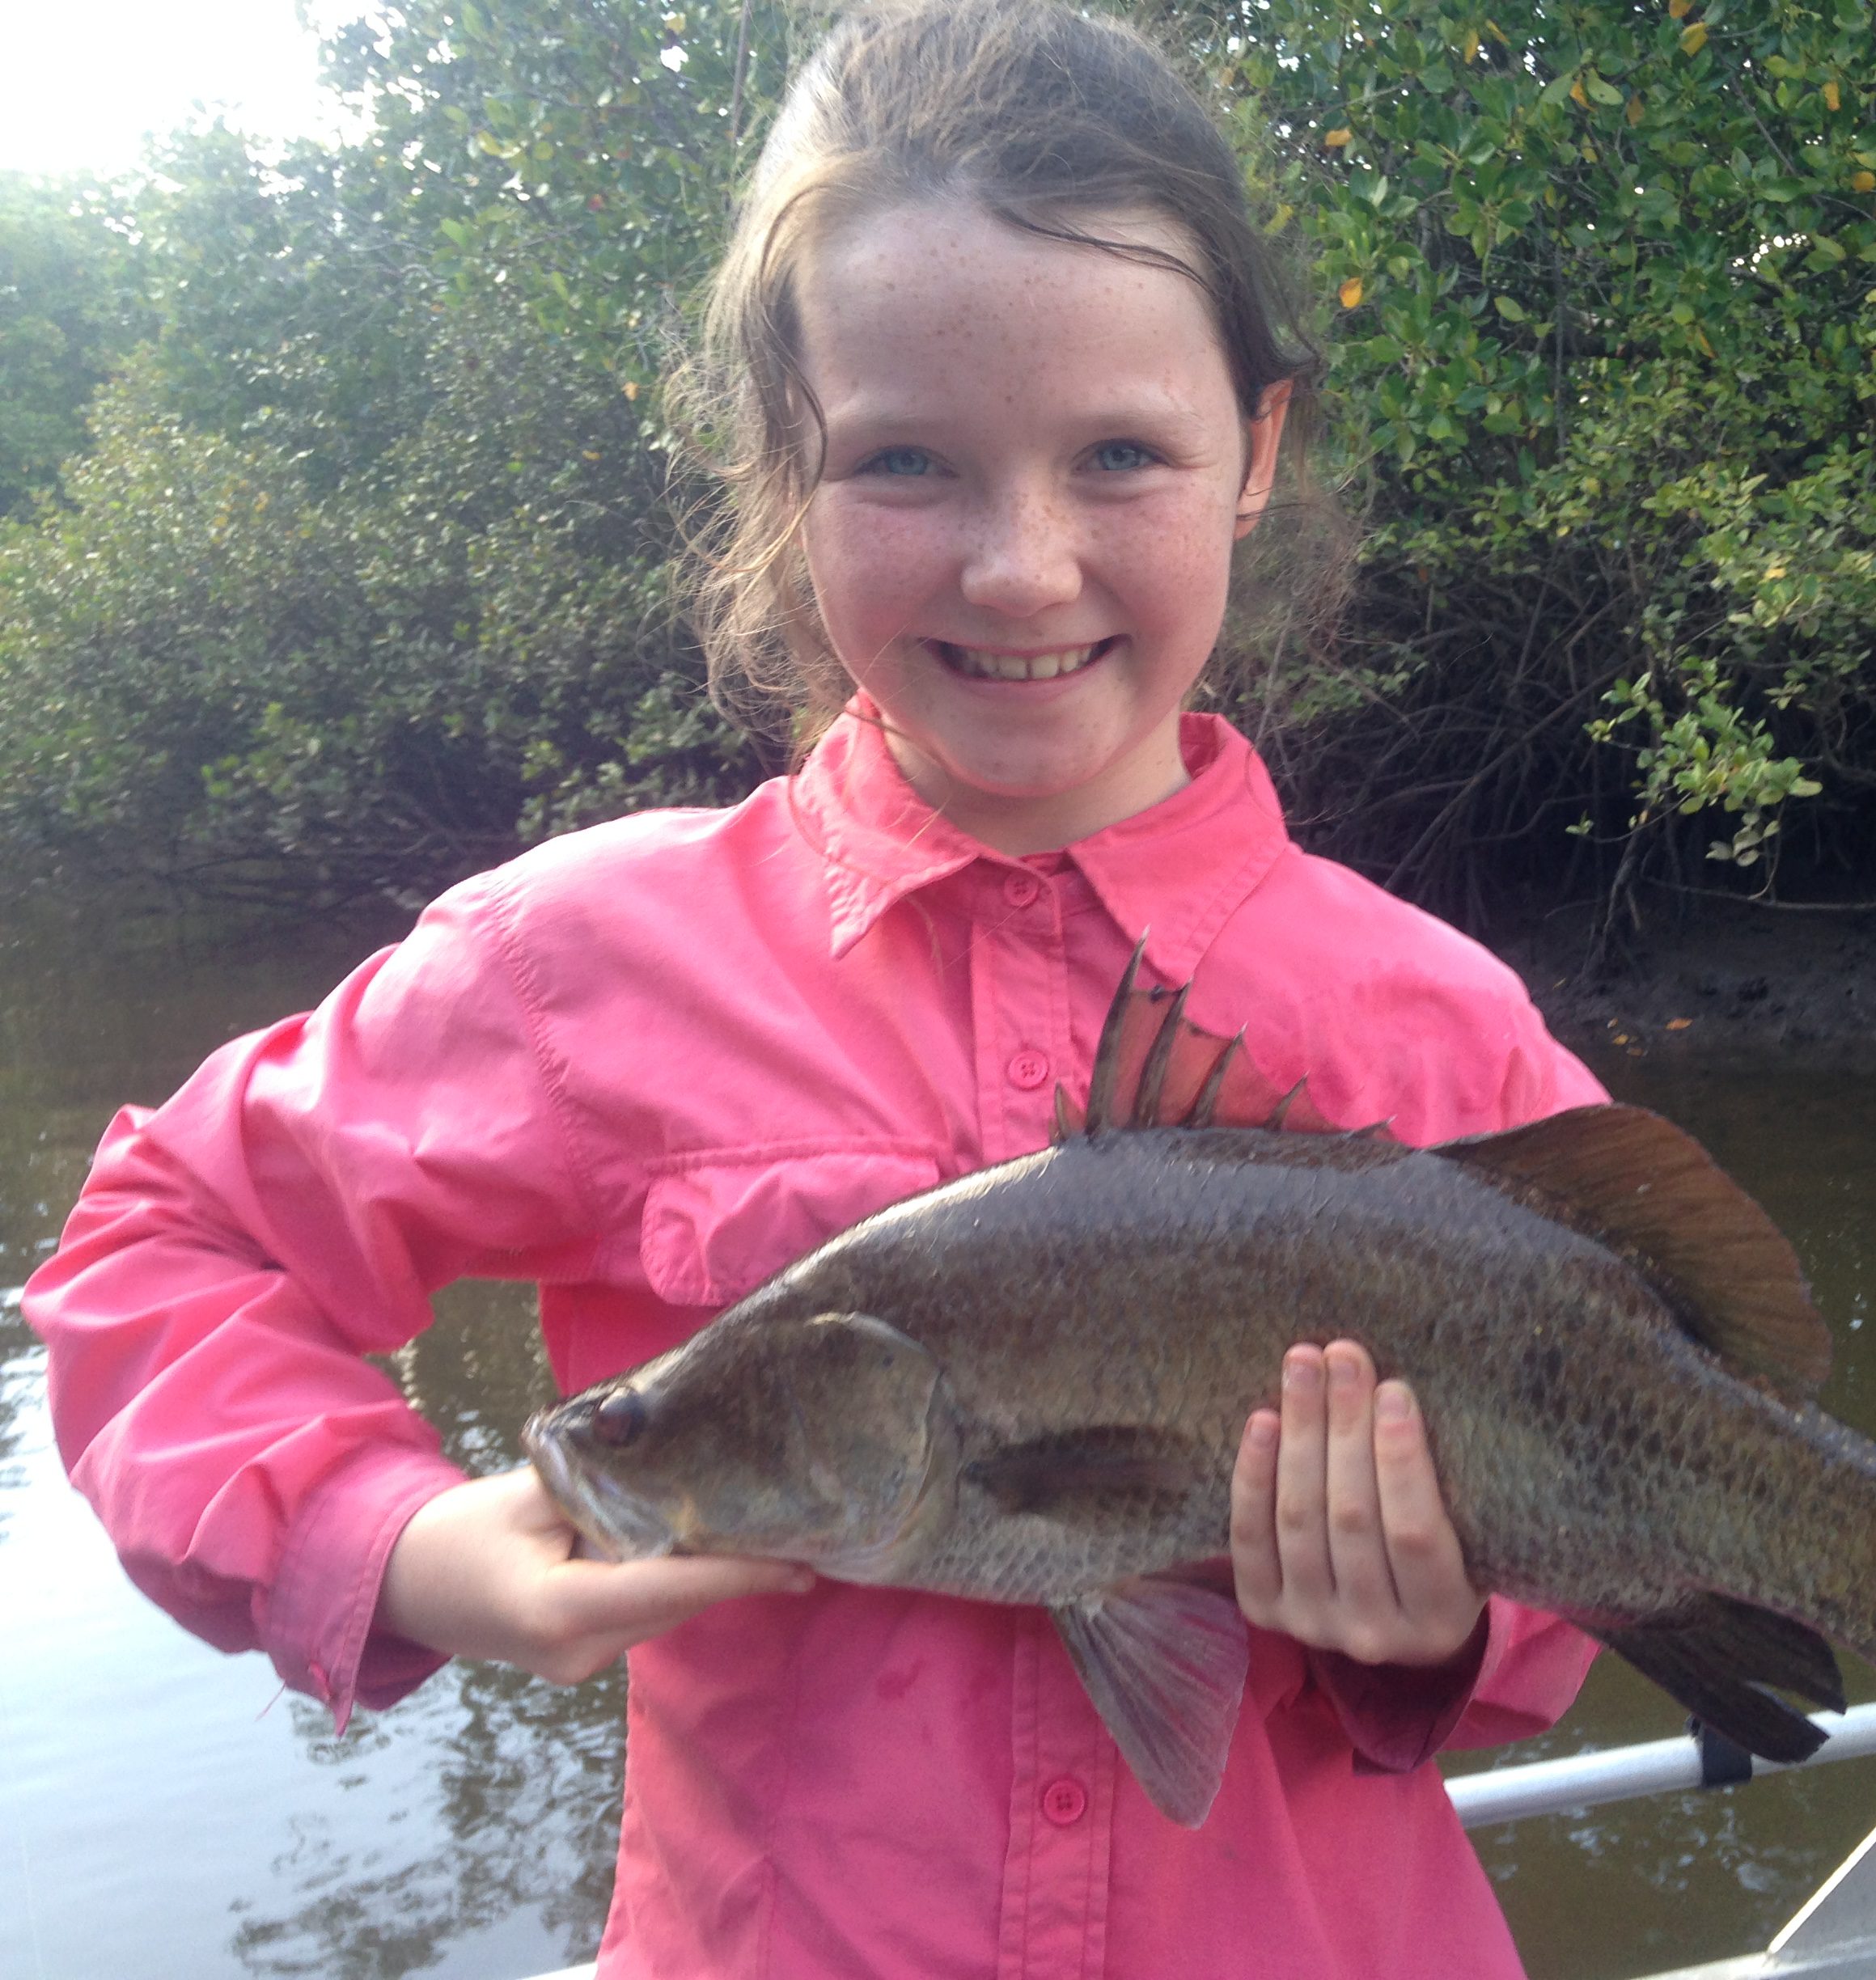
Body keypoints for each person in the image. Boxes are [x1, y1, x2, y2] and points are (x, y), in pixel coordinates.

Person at [27, 2, 1607, 1973]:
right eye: (906, 462)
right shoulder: (579, 968)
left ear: (1257, 452)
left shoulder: (1444, 1026)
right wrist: (402, 1544)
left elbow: (1603, 1534)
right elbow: (161, 1245)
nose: (1020, 566)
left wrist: (1451, 1621)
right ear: (784, 470)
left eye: (1121, 453)